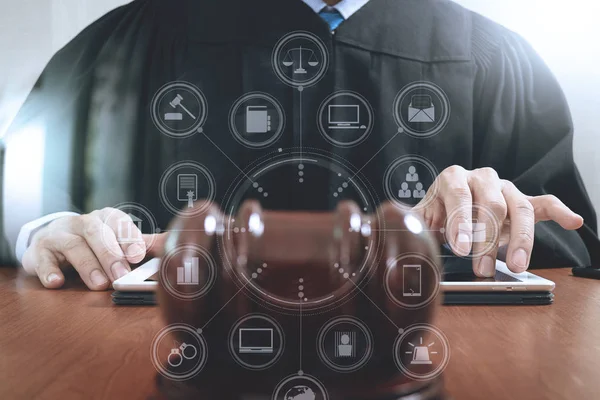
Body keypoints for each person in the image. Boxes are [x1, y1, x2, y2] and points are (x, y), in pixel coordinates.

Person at [2, 0, 598, 291]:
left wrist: (491, 216)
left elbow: (569, 239)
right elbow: (19, 195)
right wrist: (46, 228)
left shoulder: (494, 60)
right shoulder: (131, 42)